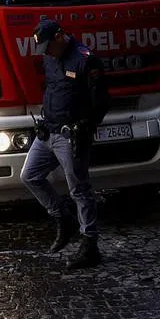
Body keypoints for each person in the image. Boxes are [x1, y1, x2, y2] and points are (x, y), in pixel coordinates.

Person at [21, 18, 108, 270]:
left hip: (71, 134)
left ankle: (90, 245)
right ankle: (63, 218)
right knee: (29, 175)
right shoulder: (50, 58)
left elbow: (100, 100)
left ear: (60, 36)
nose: (46, 52)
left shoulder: (85, 59)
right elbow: (53, 89)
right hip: (48, 130)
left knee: (79, 188)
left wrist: (88, 126)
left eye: (49, 46)